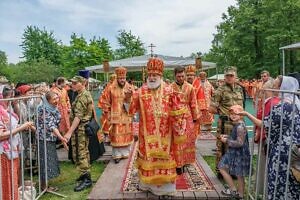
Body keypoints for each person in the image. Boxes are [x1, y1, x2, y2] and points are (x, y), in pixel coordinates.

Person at [238, 76, 300, 200]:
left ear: (283, 88)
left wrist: (246, 114)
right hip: (293, 149)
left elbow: (265, 125)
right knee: (292, 183)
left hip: (282, 151)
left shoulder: (282, 107)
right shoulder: (295, 104)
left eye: (276, 86)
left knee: (279, 182)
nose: (273, 88)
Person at [126, 57, 177, 196]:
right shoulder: (141, 91)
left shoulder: (170, 90)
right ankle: (147, 185)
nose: (152, 77)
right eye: (150, 75)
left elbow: (178, 109)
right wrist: (127, 98)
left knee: (165, 159)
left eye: (155, 75)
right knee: (148, 159)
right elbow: (131, 110)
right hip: (146, 134)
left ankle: (166, 189)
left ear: (160, 75)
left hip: (166, 134)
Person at [209, 66, 244, 178]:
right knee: (223, 148)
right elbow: (211, 108)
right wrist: (224, 114)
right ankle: (221, 171)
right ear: (224, 77)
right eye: (227, 75)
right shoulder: (220, 90)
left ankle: (233, 170)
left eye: (231, 75)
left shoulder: (240, 89)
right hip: (225, 123)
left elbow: (242, 105)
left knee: (236, 146)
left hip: (238, 124)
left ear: (235, 76)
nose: (229, 77)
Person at [0, 86, 35, 200]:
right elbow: (1, 135)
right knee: (6, 183)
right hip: (4, 154)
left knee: (12, 182)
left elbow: (11, 126)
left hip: (12, 151)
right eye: (11, 96)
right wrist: (22, 127)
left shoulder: (7, 110)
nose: (13, 99)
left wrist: (23, 126)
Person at [64, 75, 94, 192]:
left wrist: (69, 133)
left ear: (82, 83)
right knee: (83, 152)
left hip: (80, 129)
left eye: (75, 83)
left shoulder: (82, 96)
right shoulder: (82, 94)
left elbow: (78, 117)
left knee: (81, 153)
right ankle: (84, 174)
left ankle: (87, 179)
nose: (72, 85)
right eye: (72, 83)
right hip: (81, 129)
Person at [98, 67, 134, 163]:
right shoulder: (110, 87)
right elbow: (104, 100)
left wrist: (129, 98)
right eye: (120, 78)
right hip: (115, 115)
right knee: (116, 136)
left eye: (124, 78)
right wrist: (108, 112)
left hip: (126, 116)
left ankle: (125, 153)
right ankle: (117, 155)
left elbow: (134, 102)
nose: (122, 80)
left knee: (126, 135)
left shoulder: (130, 87)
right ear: (117, 78)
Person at [170, 67, 199, 175]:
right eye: (178, 76)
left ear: (185, 75)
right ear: (175, 76)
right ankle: (177, 163)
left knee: (187, 140)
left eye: (183, 76)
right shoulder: (170, 88)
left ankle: (186, 161)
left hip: (187, 117)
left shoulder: (190, 87)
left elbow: (193, 103)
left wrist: (195, 117)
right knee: (176, 142)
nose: (181, 78)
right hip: (175, 117)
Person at [37, 91, 67, 191]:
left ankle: (46, 185)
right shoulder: (43, 109)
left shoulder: (53, 108)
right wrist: (62, 138)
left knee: (49, 161)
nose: (56, 100)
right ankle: (44, 186)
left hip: (50, 138)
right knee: (45, 161)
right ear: (47, 100)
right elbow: (51, 126)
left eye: (57, 98)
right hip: (44, 138)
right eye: (53, 99)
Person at [218, 105, 250, 199]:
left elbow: (239, 143)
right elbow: (238, 139)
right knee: (239, 174)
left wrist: (226, 141)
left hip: (238, 153)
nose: (233, 115)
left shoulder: (240, 127)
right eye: (231, 114)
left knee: (222, 167)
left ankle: (233, 190)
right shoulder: (238, 125)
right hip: (238, 153)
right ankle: (239, 194)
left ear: (241, 115)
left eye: (236, 114)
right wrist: (228, 137)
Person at [98, 73, 116, 144]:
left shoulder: (110, 86)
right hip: (109, 109)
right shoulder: (110, 87)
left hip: (113, 108)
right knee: (107, 124)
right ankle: (108, 138)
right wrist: (105, 108)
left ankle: (110, 138)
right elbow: (104, 99)